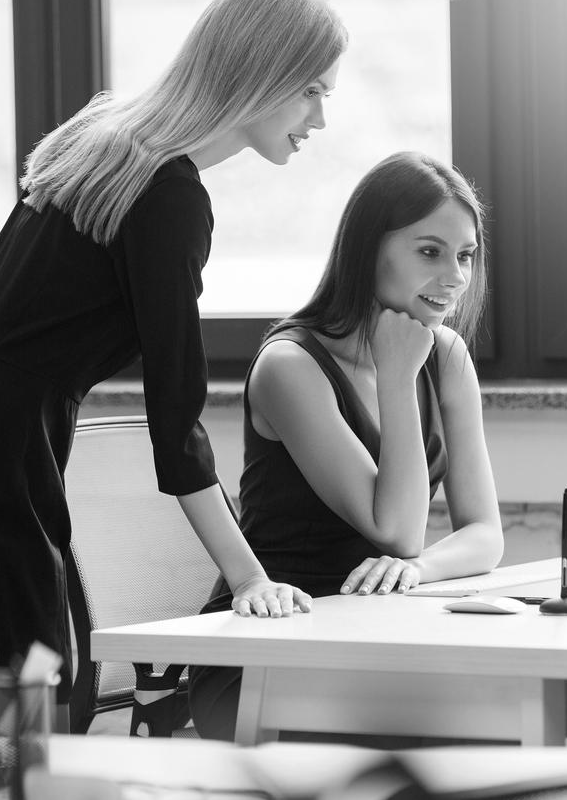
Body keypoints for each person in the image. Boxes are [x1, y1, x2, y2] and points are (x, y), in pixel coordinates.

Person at [0, 0, 347, 711]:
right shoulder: (169, 194)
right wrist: (249, 575)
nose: (320, 117)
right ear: (264, 73)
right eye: (312, 90)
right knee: (26, 682)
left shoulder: (111, 137)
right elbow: (176, 415)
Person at [188, 151, 506, 741]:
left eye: (465, 256)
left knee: (498, 720)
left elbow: (485, 535)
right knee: (453, 735)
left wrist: (414, 571)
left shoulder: (447, 357)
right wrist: (395, 376)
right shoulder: (291, 366)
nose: (456, 276)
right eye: (429, 251)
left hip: (368, 633)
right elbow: (396, 528)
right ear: (369, 249)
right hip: (267, 650)